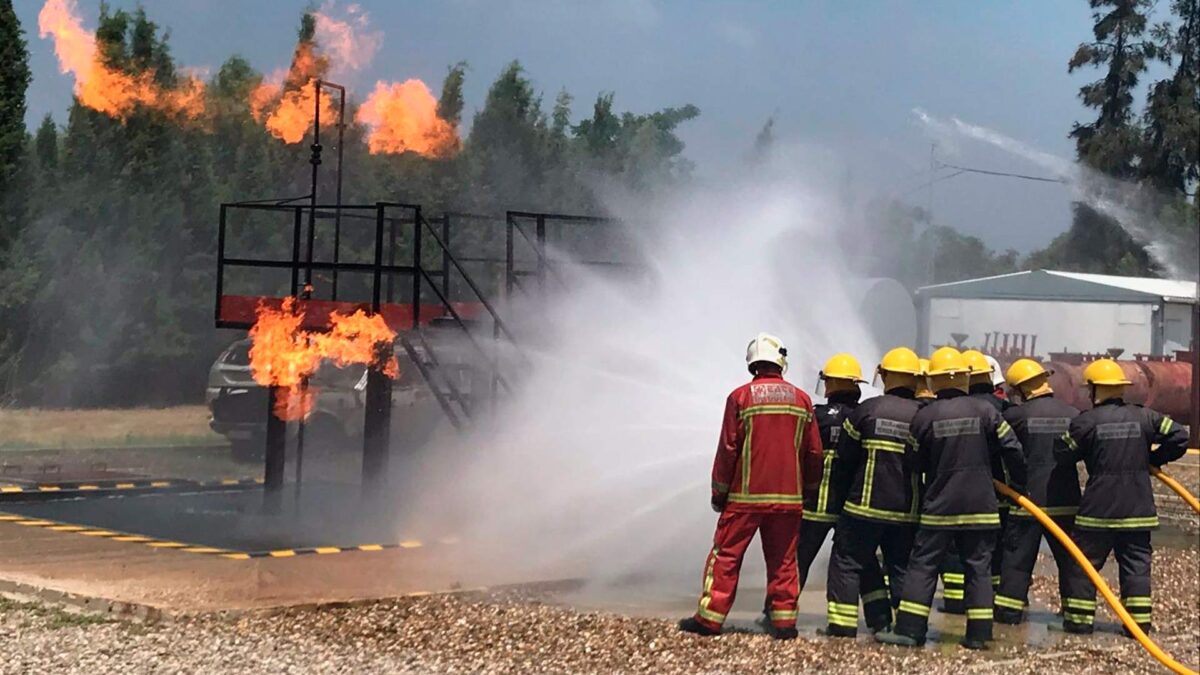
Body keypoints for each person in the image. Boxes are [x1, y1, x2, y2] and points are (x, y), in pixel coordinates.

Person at [876, 346, 1026, 651]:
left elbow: (912, 462)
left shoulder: (924, 417)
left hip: (939, 507)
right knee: (978, 568)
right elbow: (1013, 450)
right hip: (982, 506)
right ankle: (979, 634)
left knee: (923, 565)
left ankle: (910, 630)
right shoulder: (987, 412)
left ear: (933, 381)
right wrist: (1017, 488)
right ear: (965, 379)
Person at [680, 333, 824, 641]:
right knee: (785, 561)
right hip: (788, 499)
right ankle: (784, 624)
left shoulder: (740, 398)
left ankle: (710, 619)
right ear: (780, 361)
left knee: (726, 556)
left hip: (744, 499)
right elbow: (814, 452)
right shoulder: (801, 400)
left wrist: (719, 493)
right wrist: (810, 491)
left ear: (753, 363)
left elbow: (727, 450)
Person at [1054, 358, 1190, 635]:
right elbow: (1179, 436)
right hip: (1138, 508)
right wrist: (1152, 459)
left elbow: (1063, 452)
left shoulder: (1086, 422)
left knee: (1083, 564)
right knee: (1136, 566)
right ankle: (1137, 623)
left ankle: (1079, 621)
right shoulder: (1146, 416)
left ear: (1095, 390)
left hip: (1098, 511)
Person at [824, 347, 923, 638]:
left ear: (886, 376)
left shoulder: (868, 410)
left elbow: (845, 457)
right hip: (907, 511)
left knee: (847, 562)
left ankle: (842, 626)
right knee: (901, 567)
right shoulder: (923, 416)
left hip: (863, 509)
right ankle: (904, 626)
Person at [993, 358, 1082, 625]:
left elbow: (1002, 452)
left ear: (1020, 390)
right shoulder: (1073, 415)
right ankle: (1077, 615)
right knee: (1071, 562)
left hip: (1026, 502)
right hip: (1066, 502)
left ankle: (1009, 613)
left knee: (1017, 562)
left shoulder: (1015, 417)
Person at [962, 350, 1011, 593]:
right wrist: (1018, 487)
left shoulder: (951, 408)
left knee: (959, 548)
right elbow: (1014, 450)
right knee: (995, 547)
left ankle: (958, 598)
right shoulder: (1004, 409)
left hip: (957, 493)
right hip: (998, 491)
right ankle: (997, 593)